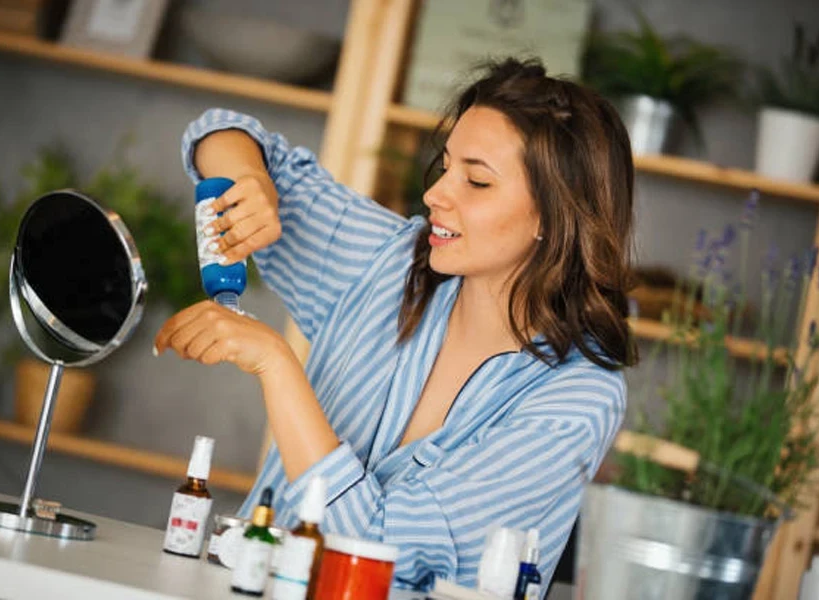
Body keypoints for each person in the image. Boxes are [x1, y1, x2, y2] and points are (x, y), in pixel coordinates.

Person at [154, 57, 636, 590]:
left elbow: (378, 549)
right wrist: (251, 180)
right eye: (446, 165)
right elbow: (218, 132)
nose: (437, 194)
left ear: (555, 214)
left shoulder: (577, 396)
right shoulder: (389, 263)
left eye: (476, 180)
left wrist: (276, 365)